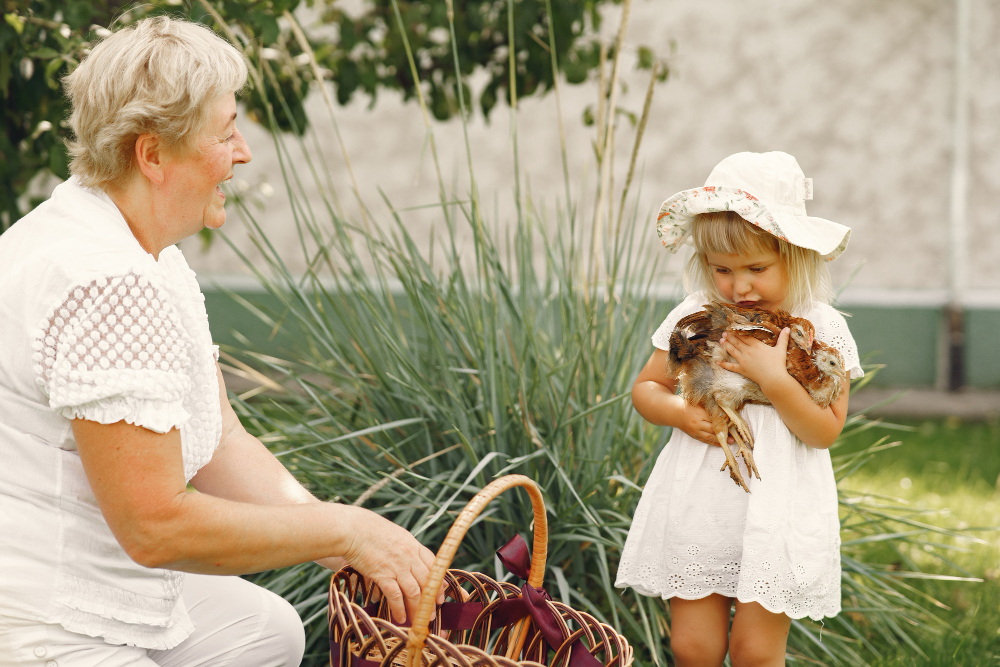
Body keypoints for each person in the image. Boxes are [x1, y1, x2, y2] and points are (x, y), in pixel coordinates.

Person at [0, 16, 438, 667]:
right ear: (152, 155)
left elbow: (219, 441)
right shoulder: (104, 282)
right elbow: (155, 525)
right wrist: (346, 528)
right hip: (45, 614)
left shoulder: (134, 248)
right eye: (225, 130)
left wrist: (345, 541)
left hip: (100, 577)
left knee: (270, 630)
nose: (243, 151)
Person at [614, 152, 862, 667]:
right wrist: (679, 413)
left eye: (756, 268)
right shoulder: (696, 315)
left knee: (754, 651)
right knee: (692, 646)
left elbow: (824, 431)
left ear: (795, 255)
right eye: (721, 269)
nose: (738, 286)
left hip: (777, 507)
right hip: (702, 499)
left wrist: (775, 380)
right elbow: (646, 388)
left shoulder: (821, 325)